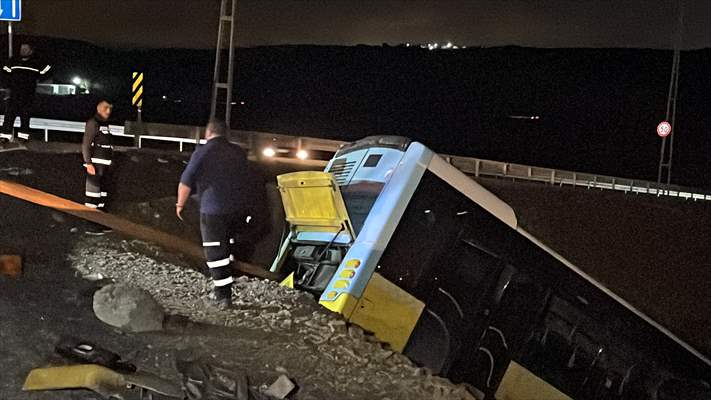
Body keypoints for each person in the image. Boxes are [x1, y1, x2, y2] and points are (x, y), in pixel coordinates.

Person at [176, 118, 260, 309]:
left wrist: (180, 204)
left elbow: (186, 181)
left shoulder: (203, 152)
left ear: (208, 133)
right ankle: (232, 279)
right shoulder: (238, 153)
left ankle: (223, 296)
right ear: (226, 134)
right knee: (230, 246)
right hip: (239, 210)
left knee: (215, 252)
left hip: (213, 211)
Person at [1, 43, 51, 143]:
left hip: (28, 95)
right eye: (21, 48)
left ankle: (23, 137)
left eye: (25, 49)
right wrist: (7, 86)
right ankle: (4, 137)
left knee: (25, 116)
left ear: (31, 51)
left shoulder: (36, 62)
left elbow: (47, 70)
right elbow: (5, 73)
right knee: (9, 116)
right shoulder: (13, 61)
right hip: (14, 94)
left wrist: (40, 79)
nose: (22, 51)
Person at [82, 100, 114, 234]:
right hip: (95, 165)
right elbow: (86, 145)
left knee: (102, 195)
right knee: (93, 194)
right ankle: (90, 224)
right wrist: (88, 163)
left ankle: (101, 222)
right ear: (100, 109)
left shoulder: (104, 124)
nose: (109, 111)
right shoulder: (93, 123)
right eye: (106, 108)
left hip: (104, 166)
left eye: (110, 109)